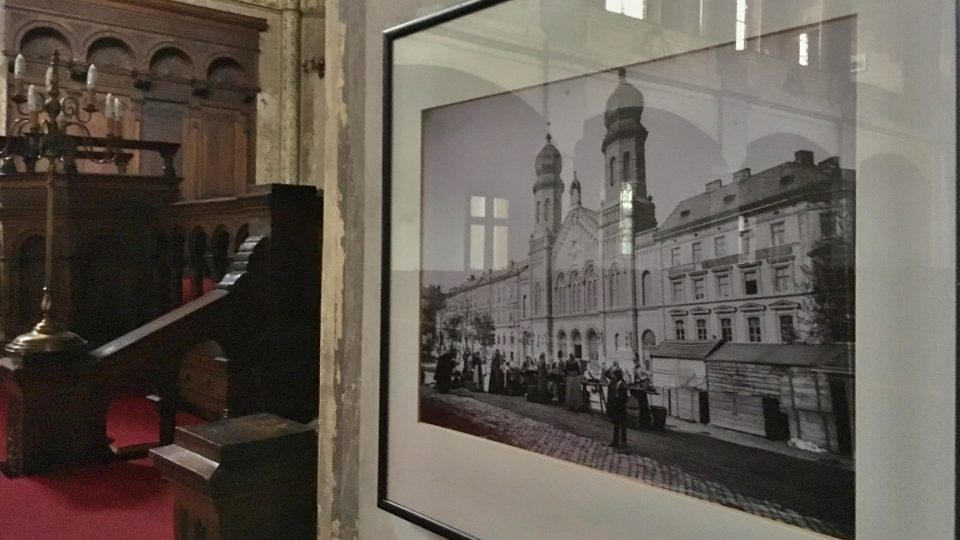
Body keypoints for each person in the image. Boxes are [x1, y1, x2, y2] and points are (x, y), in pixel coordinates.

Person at [606, 368, 629, 451]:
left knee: (623, 426)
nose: (614, 377)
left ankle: (623, 442)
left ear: (617, 376)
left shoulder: (623, 385)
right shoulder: (616, 384)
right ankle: (615, 442)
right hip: (616, 407)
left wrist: (618, 397)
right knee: (616, 425)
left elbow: (625, 399)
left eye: (615, 376)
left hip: (621, 408)